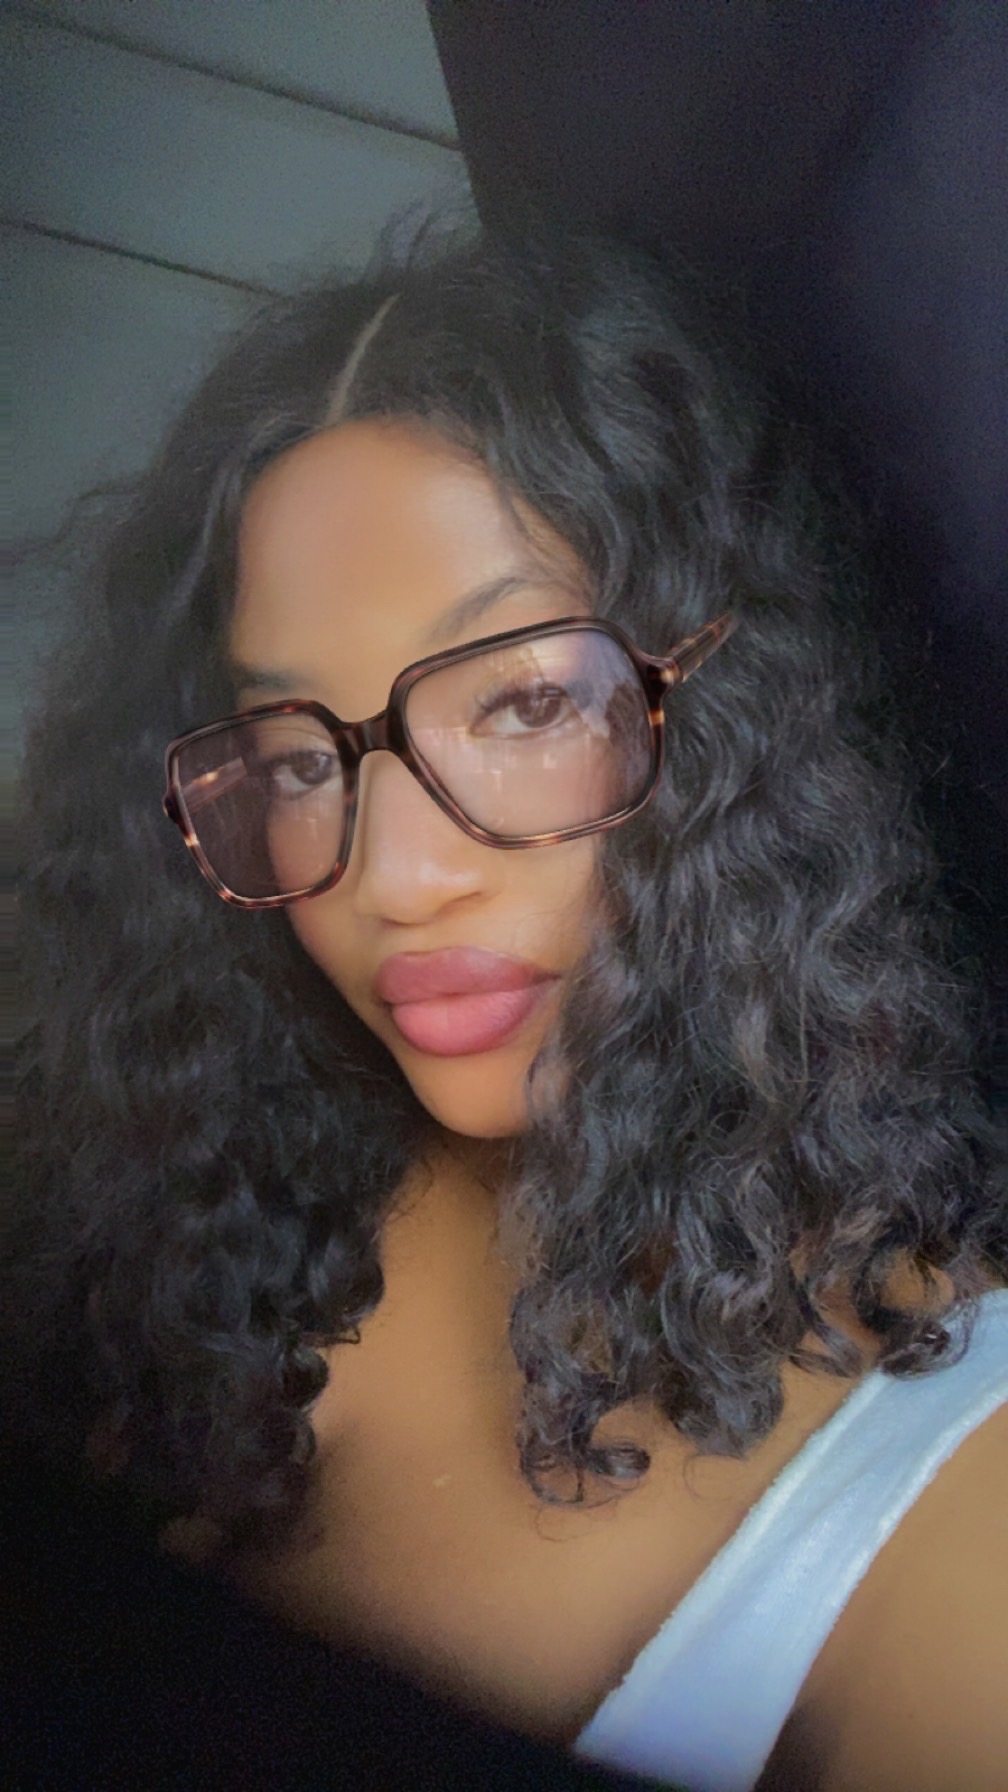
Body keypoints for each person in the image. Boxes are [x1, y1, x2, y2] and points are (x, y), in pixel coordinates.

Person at [10, 227, 1006, 1792]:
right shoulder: (199, 1174)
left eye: (529, 701)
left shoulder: (958, 1494)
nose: (394, 878)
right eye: (294, 757)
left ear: (733, 715)